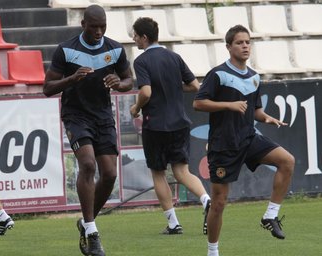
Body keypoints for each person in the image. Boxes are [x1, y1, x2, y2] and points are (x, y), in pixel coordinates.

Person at [193, 24, 295, 256]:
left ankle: (270, 215)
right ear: (229, 47)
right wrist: (228, 104)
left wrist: (267, 118)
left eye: (248, 42)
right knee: (219, 202)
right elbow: (198, 103)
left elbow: (255, 110)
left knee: (287, 161)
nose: (245, 46)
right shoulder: (218, 74)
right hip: (223, 144)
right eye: (239, 42)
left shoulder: (254, 77)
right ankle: (213, 251)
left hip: (248, 138)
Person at [43, 5, 133, 256]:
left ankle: (85, 222)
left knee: (109, 174)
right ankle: (92, 232)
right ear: (83, 24)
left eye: (102, 25)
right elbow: (47, 88)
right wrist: (71, 79)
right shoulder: (66, 50)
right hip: (76, 116)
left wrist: (120, 83)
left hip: (103, 117)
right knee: (88, 165)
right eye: (93, 26)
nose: (99, 31)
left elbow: (128, 80)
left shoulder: (114, 49)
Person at [130, 17, 211, 236]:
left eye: (135, 35)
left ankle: (174, 223)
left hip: (155, 125)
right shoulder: (174, 57)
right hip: (180, 123)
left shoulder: (141, 61)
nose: (134, 39)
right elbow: (195, 86)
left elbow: (146, 92)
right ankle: (206, 200)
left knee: (158, 174)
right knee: (183, 171)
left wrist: (136, 107)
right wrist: (173, 87)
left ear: (144, 38)